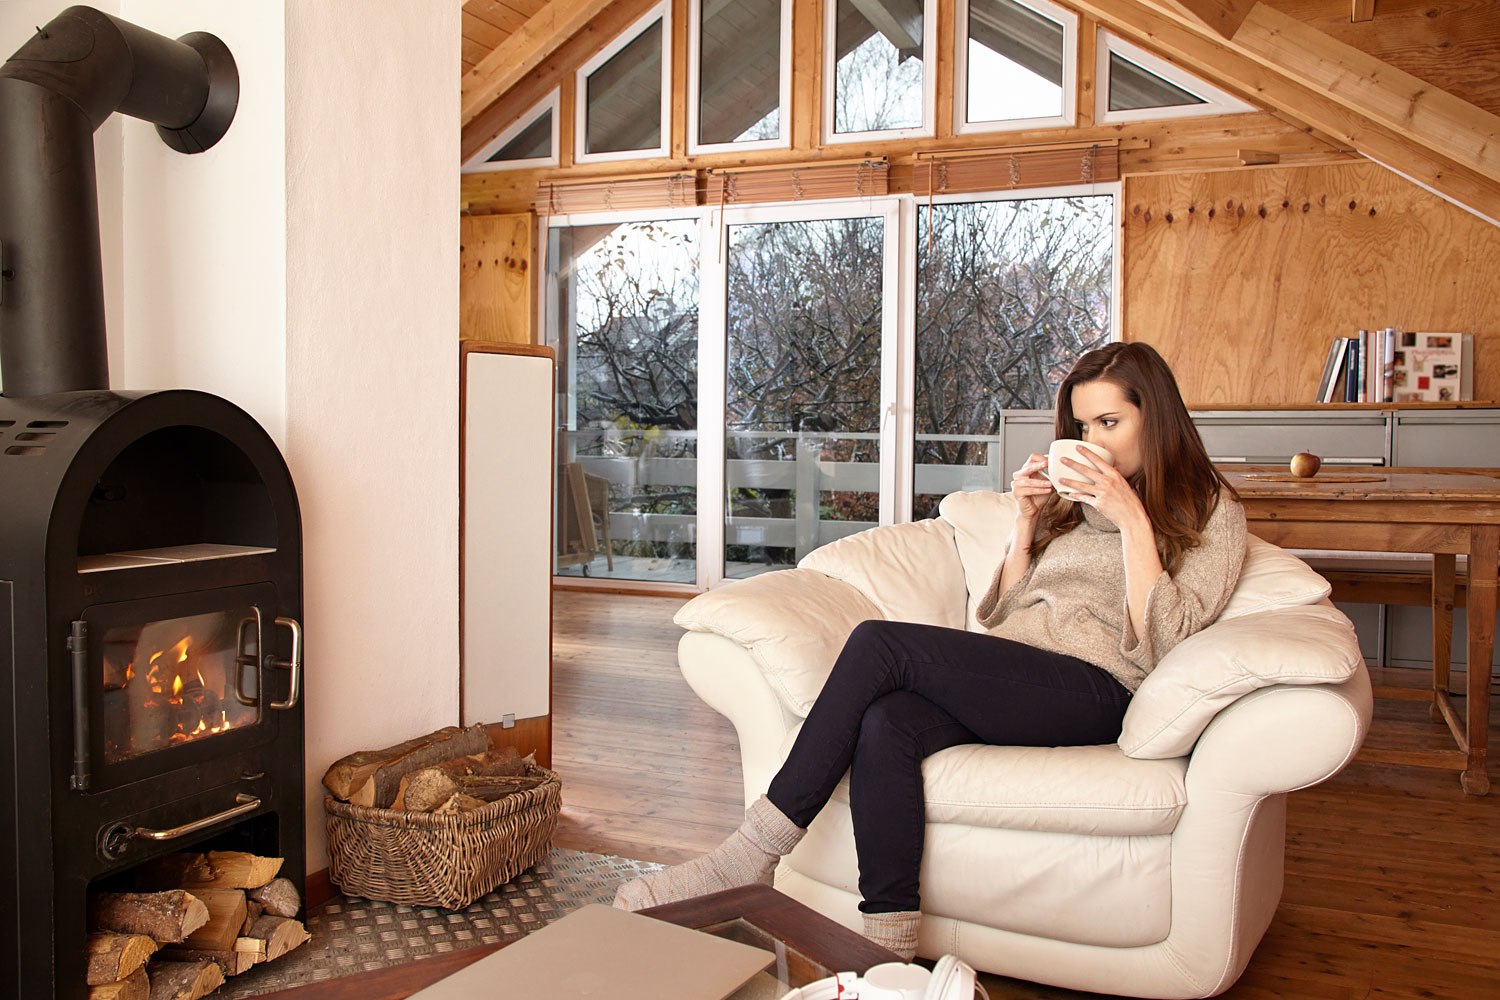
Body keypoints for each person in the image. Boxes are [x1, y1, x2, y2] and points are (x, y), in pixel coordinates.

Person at [612, 342, 1247, 961]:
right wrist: (1026, 523)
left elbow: (1170, 640)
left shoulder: (1211, 510)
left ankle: (747, 855)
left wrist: (1133, 518)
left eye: (1110, 422)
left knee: (879, 644)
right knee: (888, 721)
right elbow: (999, 614)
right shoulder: (1072, 510)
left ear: (1155, 418)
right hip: (1022, 681)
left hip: (1099, 690)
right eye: (1083, 424)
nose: (1094, 442)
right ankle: (888, 942)